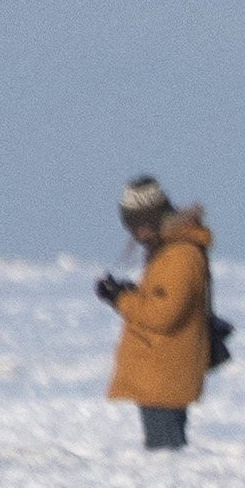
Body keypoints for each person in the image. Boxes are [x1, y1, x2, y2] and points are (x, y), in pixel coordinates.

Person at [96, 175, 215, 453]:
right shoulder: (169, 252)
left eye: (136, 227)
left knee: (166, 455)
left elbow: (163, 315)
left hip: (165, 377)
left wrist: (121, 299)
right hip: (161, 374)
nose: (135, 236)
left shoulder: (180, 256)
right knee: (165, 452)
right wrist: (130, 293)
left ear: (150, 221)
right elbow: (163, 300)